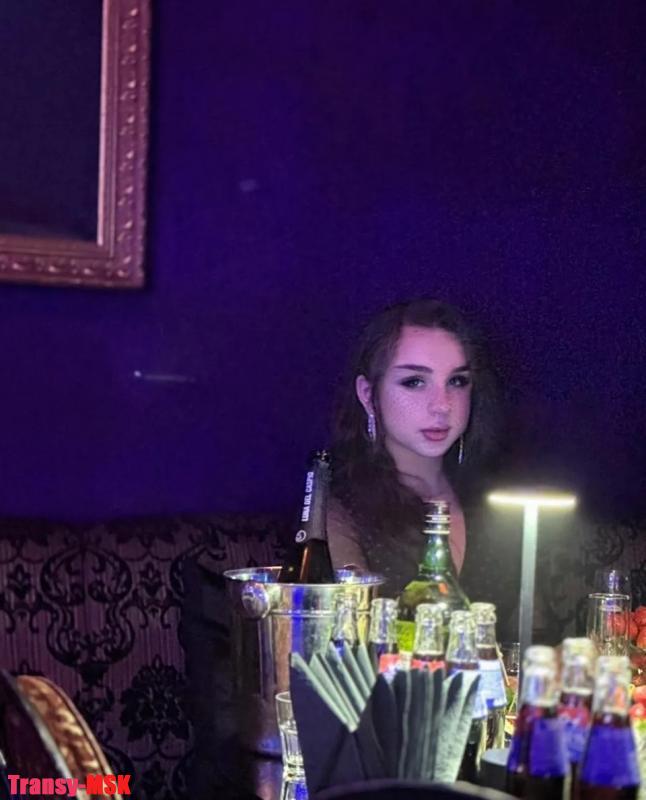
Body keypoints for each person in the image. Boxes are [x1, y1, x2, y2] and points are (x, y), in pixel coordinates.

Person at [326, 297, 521, 639]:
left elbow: (535, 631)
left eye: (457, 381)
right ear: (368, 394)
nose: (442, 405)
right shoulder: (341, 506)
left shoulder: (496, 501)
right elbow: (350, 641)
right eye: (415, 382)